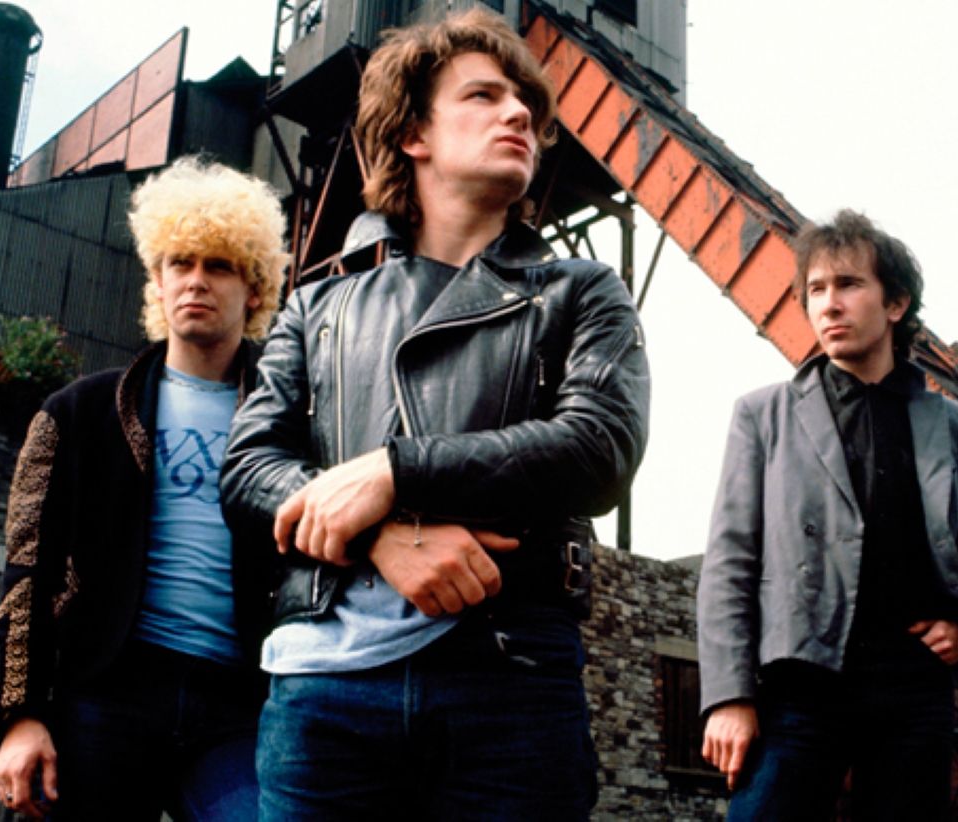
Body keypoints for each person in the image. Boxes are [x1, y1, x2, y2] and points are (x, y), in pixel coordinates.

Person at [219, 8, 649, 820]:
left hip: (510, 678)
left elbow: (599, 446)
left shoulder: (581, 290)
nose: (519, 114)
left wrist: (394, 474)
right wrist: (383, 538)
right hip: (324, 696)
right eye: (483, 96)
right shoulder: (318, 304)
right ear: (414, 133)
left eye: (526, 103)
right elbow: (247, 470)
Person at [0, 157, 288, 819]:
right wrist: (19, 716)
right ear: (157, 280)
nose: (196, 280)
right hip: (109, 689)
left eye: (220, 266)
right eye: (180, 263)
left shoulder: (291, 424)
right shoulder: (77, 414)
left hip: (241, 707)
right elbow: (27, 573)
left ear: (255, 289)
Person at [697, 209, 958, 820]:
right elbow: (729, 563)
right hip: (798, 685)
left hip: (912, 688)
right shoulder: (763, 415)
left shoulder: (951, 426)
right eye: (816, 290)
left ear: (895, 304)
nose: (829, 305)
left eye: (848, 285)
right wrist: (729, 695)